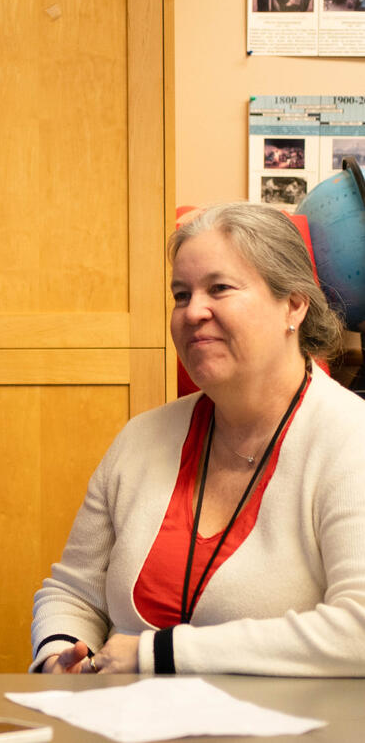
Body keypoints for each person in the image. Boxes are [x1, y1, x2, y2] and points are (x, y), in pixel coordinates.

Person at [31, 202, 365, 676]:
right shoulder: (140, 438)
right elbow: (73, 591)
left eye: (219, 289)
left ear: (293, 304)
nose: (193, 313)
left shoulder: (352, 440)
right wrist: (59, 653)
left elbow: (359, 630)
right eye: (181, 294)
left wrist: (160, 654)